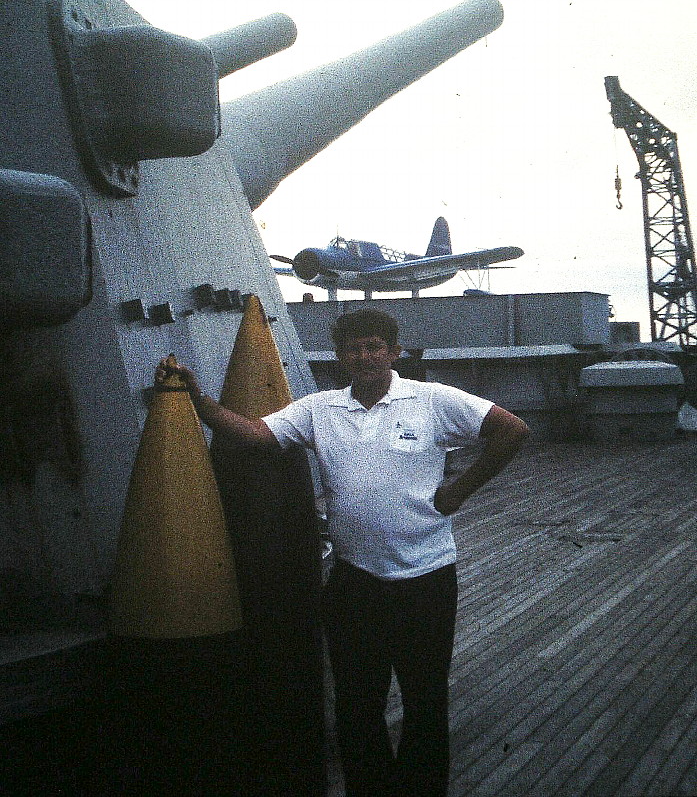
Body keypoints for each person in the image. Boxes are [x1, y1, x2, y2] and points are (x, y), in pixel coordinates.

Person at [155, 308, 528, 797]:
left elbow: (511, 429)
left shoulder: (432, 401)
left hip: (426, 579)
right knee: (357, 704)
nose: (366, 356)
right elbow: (256, 434)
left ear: (394, 352)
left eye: (376, 346)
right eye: (355, 347)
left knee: (424, 701)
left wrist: (460, 489)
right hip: (355, 582)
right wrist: (197, 398)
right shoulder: (319, 410)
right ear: (341, 356)